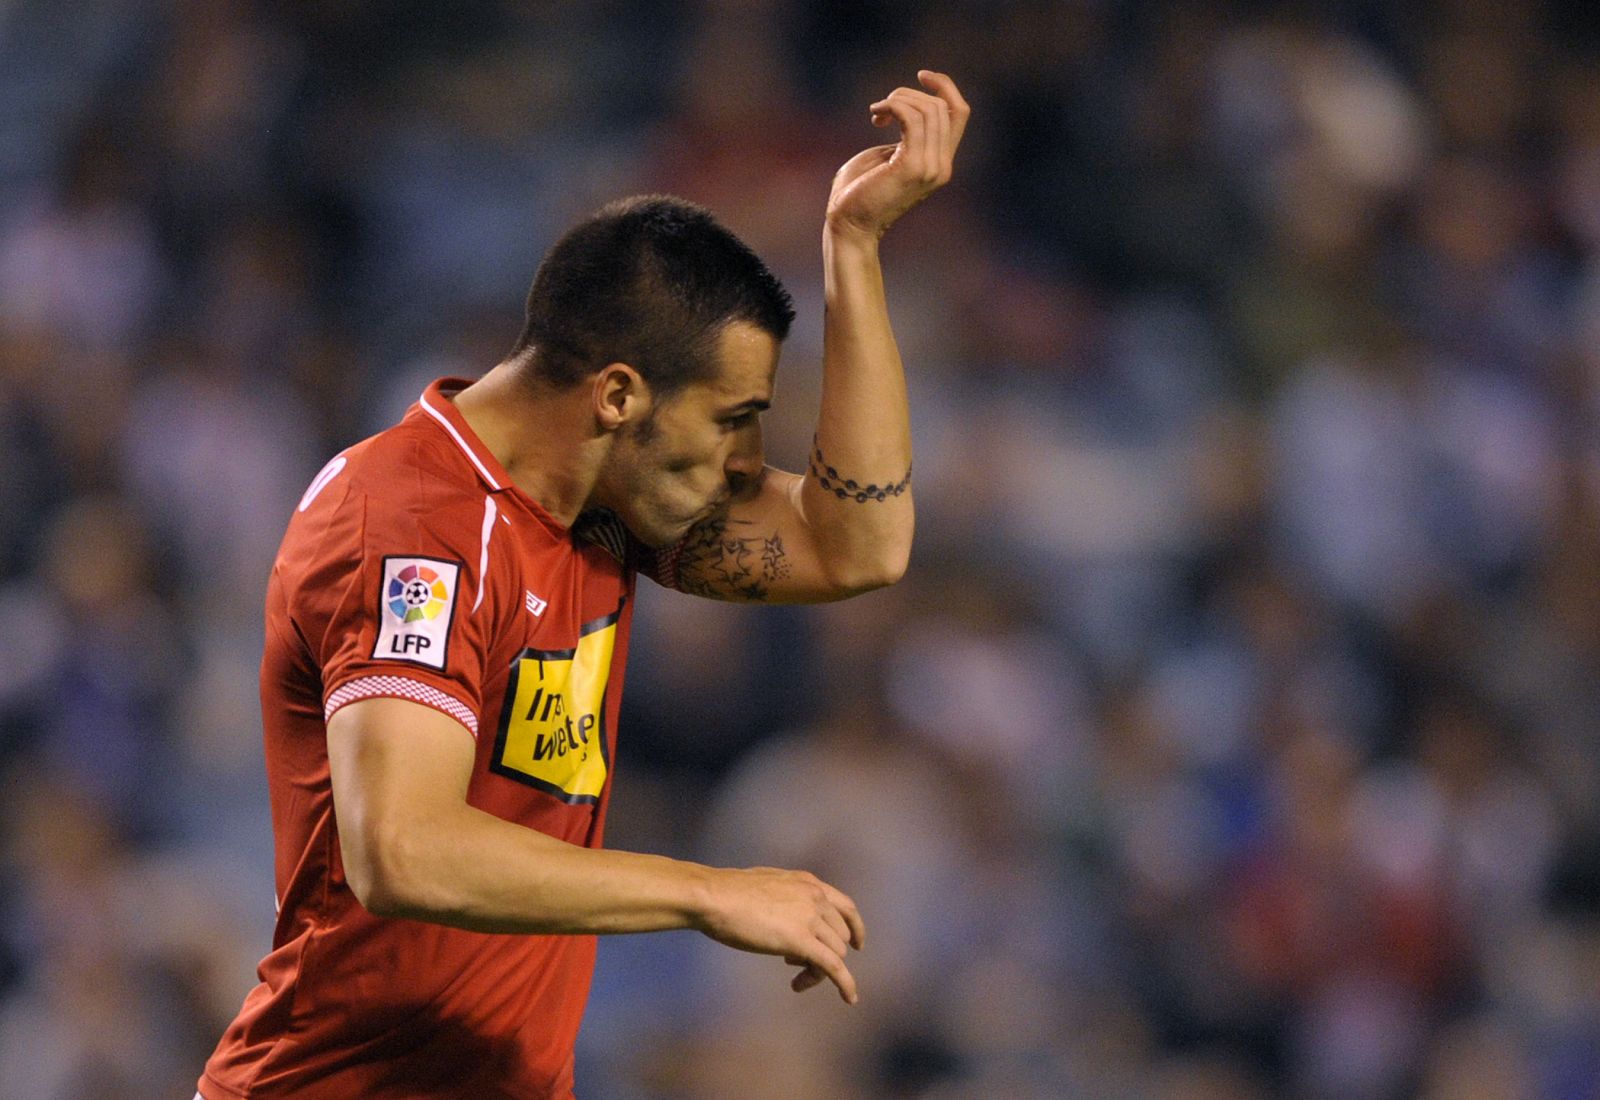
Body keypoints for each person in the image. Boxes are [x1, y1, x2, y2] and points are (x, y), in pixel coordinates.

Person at [198, 70, 969, 1099]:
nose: (747, 461)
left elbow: (858, 543)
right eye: (731, 417)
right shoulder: (408, 528)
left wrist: (855, 248)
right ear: (617, 394)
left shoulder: (601, 509)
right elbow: (402, 847)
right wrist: (703, 891)